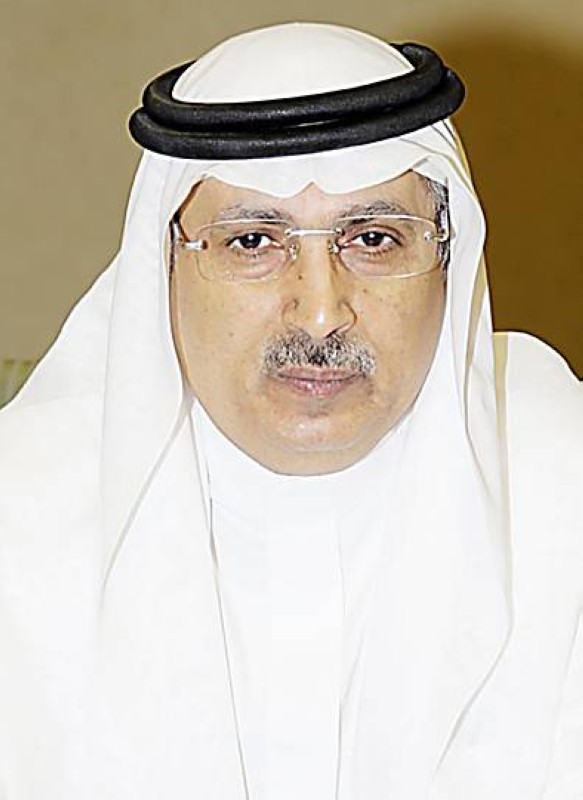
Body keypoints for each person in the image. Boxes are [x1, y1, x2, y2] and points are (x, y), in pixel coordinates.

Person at [0, 22, 581, 800]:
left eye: (373, 238)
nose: (319, 313)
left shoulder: (562, 482)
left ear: (447, 257)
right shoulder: (20, 518)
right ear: (162, 265)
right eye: (251, 242)